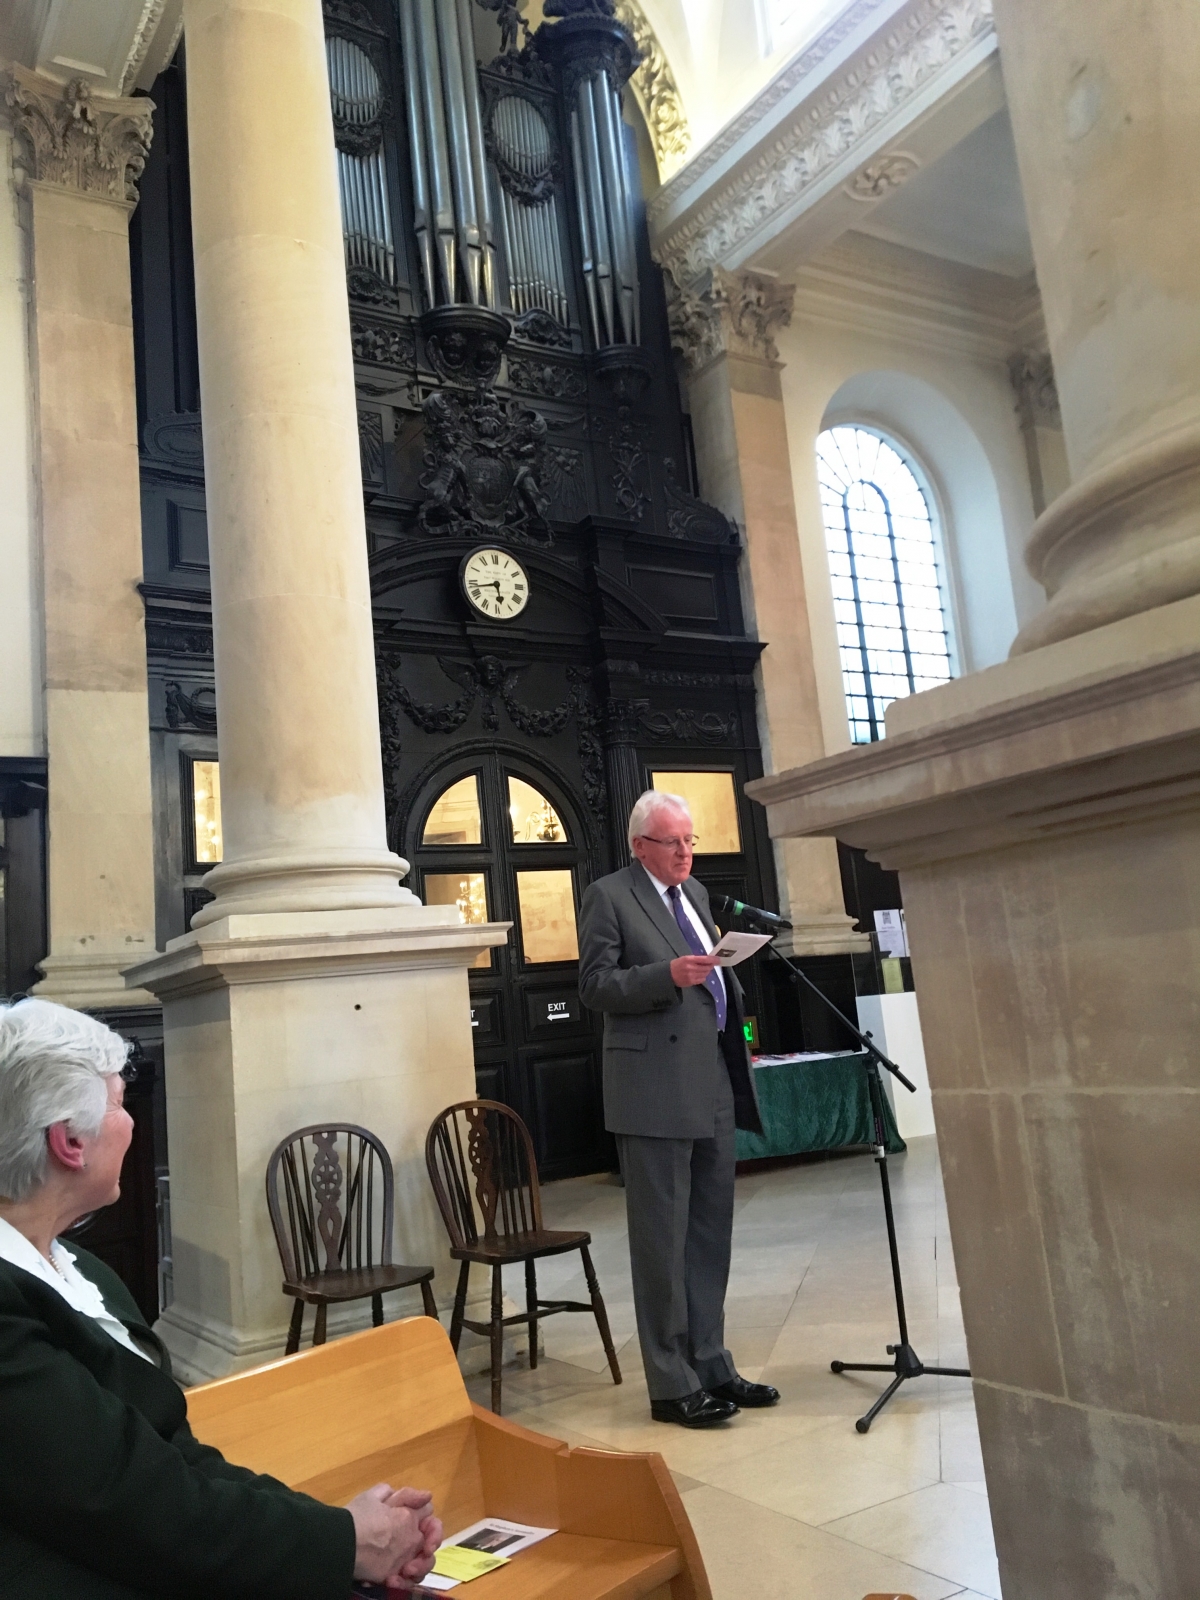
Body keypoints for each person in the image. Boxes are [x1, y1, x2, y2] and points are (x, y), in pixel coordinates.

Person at [0, 997, 443, 1599]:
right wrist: (346, 1544)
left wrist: (342, 1532)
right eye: (117, 1103)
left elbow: (172, 1457)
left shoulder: (80, 1268)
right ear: (69, 1143)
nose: (130, 1123)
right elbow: (133, 1502)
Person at [577, 790, 781, 1428]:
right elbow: (594, 985)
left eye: (690, 840)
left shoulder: (694, 896)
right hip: (653, 1091)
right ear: (641, 846)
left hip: (713, 1080)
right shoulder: (610, 896)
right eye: (672, 842)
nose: (686, 852)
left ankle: (711, 1361)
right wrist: (666, 974)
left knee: (708, 1232)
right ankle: (670, 1383)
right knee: (662, 1242)